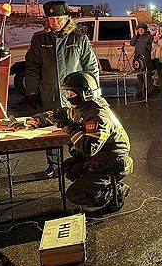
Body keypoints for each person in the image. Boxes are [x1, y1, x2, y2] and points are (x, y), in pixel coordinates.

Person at [31, 71, 133, 214]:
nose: (68, 98)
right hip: (103, 156)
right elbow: (61, 113)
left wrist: (68, 126)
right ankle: (98, 184)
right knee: (69, 167)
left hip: (112, 161)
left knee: (74, 194)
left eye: (71, 94)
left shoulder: (98, 115)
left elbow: (88, 149)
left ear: (84, 94)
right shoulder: (84, 108)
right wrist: (39, 119)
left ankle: (115, 192)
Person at [25, 0, 99, 178]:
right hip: (49, 96)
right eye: (51, 18)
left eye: (59, 18)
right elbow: (32, 68)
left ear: (67, 18)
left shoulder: (78, 39)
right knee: (50, 134)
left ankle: (81, 165)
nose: (55, 22)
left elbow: (91, 68)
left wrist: (93, 93)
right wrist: (31, 91)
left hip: (75, 98)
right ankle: (54, 166)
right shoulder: (39, 40)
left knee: (78, 133)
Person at [130, 23, 154, 97]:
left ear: (145, 30)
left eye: (141, 29)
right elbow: (132, 43)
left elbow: (151, 47)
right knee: (139, 75)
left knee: (147, 75)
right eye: (138, 29)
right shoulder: (137, 37)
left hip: (146, 59)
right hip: (138, 59)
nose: (140, 31)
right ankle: (140, 90)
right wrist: (135, 35)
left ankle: (148, 90)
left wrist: (146, 45)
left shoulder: (149, 37)